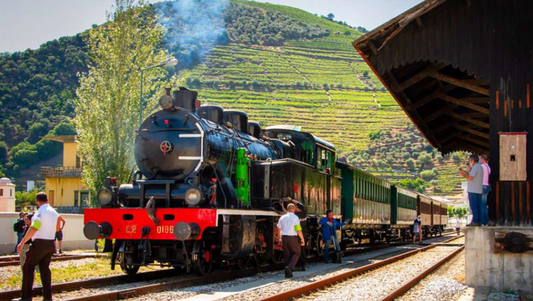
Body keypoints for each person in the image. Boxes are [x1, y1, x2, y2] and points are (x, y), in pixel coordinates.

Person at [15, 192, 58, 301]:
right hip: (51, 243)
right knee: (45, 269)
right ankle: (48, 298)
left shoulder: (40, 212)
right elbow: (58, 228)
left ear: (37, 201)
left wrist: (22, 242)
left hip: (39, 243)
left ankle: (26, 297)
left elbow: (34, 228)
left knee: (28, 267)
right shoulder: (54, 212)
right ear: (47, 200)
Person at [276, 203, 305, 278]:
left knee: (287, 254)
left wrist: (279, 238)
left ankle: (287, 272)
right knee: (297, 252)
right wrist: (302, 239)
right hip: (293, 237)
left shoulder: (282, 217)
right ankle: (290, 267)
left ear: (287, 209)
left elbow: (279, 229)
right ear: (294, 209)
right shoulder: (295, 218)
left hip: (284, 237)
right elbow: (298, 229)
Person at [459, 154, 484, 226]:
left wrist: (462, 174)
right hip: (478, 189)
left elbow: (470, 177)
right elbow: (471, 174)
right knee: (478, 206)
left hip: (473, 190)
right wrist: (464, 171)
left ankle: (475, 221)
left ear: (472, 160)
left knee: (474, 206)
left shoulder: (475, 167)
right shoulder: (480, 167)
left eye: (470, 160)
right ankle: (479, 221)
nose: (470, 162)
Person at [480, 154, 491, 226]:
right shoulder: (488, 167)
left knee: (481, 205)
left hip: (482, 186)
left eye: (480, 159)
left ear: (482, 160)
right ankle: (486, 222)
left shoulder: (482, 167)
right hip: (487, 186)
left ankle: (482, 222)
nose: (480, 161)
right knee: (484, 206)